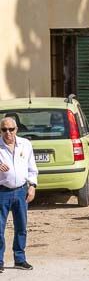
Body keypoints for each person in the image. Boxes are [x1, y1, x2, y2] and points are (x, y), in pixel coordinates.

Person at [0, 114, 37, 272]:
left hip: (21, 191)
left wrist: (32, 186)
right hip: (2, 193)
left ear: (17, 129)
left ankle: (20, 259)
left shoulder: (25, 144)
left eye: (11, 129)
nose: (8, 133)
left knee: (21, 227)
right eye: (4, 129)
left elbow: (32, 167)